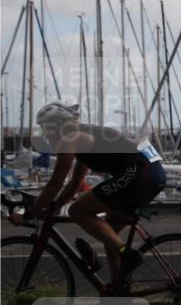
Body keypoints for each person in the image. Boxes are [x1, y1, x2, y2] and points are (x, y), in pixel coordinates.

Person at [9, 101, 166, 292]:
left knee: (78, 211)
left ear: (58, 124)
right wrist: (54, 205)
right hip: (150, 171)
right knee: (110, 237)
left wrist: (29, 214)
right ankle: (119, 292)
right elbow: (74, 183)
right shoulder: (83, 137)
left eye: (45, 128)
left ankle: (128, 255)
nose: (44, 134)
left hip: (141, 172)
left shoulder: (70, 139)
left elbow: (54, 183)